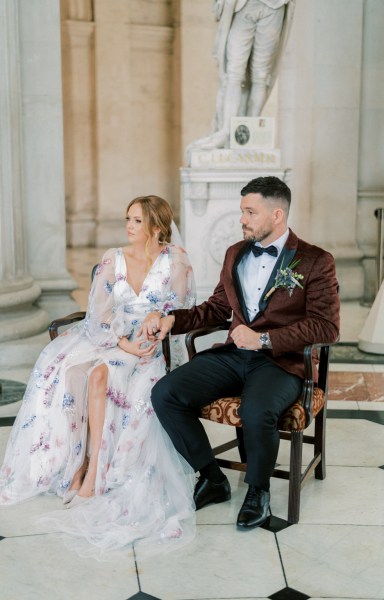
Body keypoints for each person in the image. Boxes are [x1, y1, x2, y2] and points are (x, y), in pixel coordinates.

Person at [0, 195, 197, 554]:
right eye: (128, 219)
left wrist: (154, 327)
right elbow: (97, 316)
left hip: (152, 346)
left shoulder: (175, 260)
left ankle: (94, 473)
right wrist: (123, 342)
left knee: (108, 379)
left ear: (156, 226)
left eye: (136, 220)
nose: (129, 226)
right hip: (112, 339)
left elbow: (178, 309)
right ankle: (82, 465)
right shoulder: (112, 260)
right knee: (72, 371)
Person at [144, 176, 340, 530]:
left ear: (277, 214)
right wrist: (174, 319)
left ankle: (257, 492)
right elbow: (218, 308)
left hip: (282, 362)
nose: (242, 219)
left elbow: (326, 327)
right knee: (165, 393)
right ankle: (212, 477)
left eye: (250, 211)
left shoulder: (316, 261)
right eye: (242, 211)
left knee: (257, 409)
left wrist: (265, 340)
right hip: (234, 356)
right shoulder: (236, 253)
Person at [187, 0, 295, 155]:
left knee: (259, 75)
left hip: (273, 7)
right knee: (235, 72)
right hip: (245, 5)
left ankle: (251, 133)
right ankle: (226, 131)